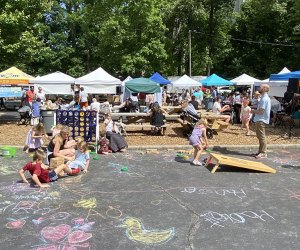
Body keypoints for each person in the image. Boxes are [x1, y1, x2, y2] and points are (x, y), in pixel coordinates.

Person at [251, 84, 271, 159]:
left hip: (261, 119)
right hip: (260, 119)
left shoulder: (264, 99)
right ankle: (260, 151)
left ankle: (263, 152)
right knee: (260, 136)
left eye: (261, 87)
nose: (259, 88)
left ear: (265, 88)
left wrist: (253, 111)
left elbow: (261, 111)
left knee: (261, 137)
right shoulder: (263, 98)